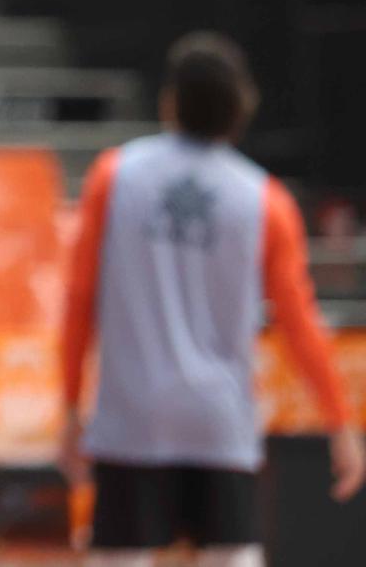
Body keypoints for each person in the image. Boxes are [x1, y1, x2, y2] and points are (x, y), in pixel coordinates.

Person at [59, 31, 365, 566]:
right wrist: (339, 423)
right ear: (240, 106)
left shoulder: (114, 177)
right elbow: (299, 323)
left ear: (170, 100)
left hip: (133, 419)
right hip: (217, 422)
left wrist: (67, 409)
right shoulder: (264, 200)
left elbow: (78, 300)